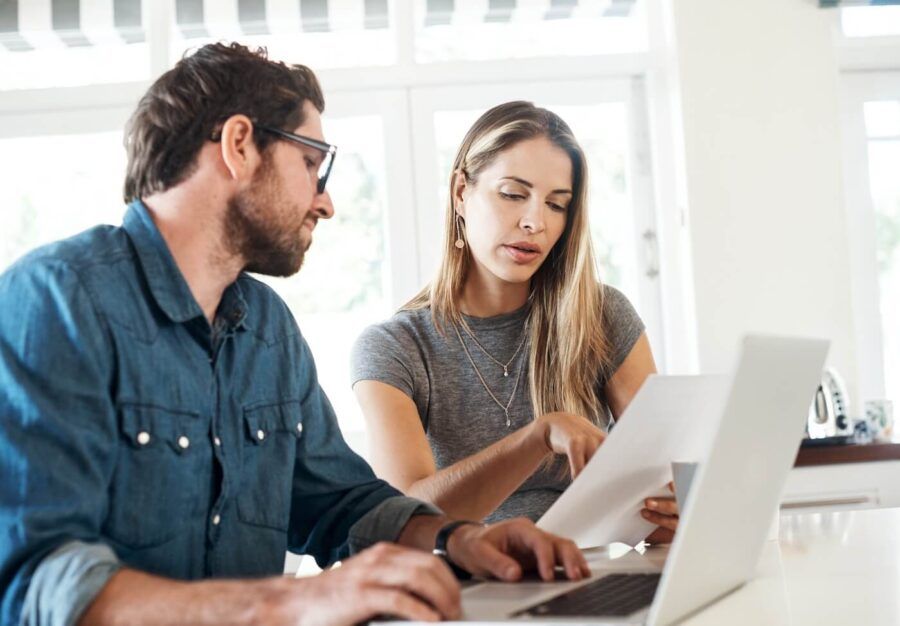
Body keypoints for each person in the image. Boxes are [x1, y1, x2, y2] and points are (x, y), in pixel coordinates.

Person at [0, 46, 591, 626]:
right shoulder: (56, 299)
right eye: (313, 164)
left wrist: (458, 541)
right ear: (239, 146)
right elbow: (37, 580)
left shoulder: (267, 328)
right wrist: (290, 602)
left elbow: (341, 505)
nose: (326, 201)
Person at [351, 101, 679, 540]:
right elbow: (404, 519)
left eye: (556, 204)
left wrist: (672, 510)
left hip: (590, 570)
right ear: (460, 193)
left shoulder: (600, 317)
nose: (534, 222)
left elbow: (657, 498)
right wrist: (539, 435)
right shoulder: (394, 348)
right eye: (512, 194)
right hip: (469, 586)